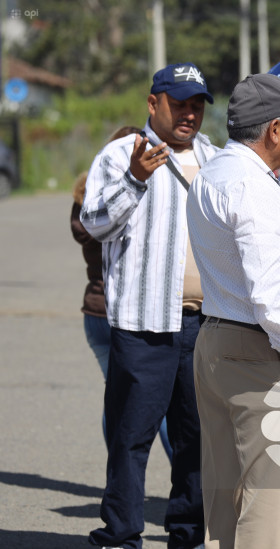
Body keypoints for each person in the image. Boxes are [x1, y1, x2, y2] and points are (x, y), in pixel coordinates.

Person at [80, 62, 216, 549]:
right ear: (152, 102)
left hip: (203, 325)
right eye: (179, 103)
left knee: (198, 441)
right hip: (143, 325)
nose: (189, 114)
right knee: (131, 438)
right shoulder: (121, 154)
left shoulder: (216, 157)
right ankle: (120, 535)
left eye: (197, 105)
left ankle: (188, 534)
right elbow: (93, 220)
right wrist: (135, 179)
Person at [186, 73, 280, 549]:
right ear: (273, 132)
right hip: (260, 351)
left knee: (225, 496)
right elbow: (269, 287)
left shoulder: (216, 173)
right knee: (269, 503)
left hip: (218, 341)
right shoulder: (254, 187)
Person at [71, 126, 173, 462]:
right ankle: (180, 474)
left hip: (94, 313)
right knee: (154, 403)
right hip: (126, 313)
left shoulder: (87, 197)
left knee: (117, 397)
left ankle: (118, 470)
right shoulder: (143, 195)